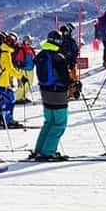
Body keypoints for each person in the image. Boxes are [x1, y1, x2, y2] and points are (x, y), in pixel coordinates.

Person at [31, 30, 72, 160]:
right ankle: (48, 151)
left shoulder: (42, 54)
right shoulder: (58, 57)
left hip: (45, 91)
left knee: (49, 122)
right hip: (58, 93)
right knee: (59, 123)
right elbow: (65, 79)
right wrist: (73, 84)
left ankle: (39, 149)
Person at [0, 32, 23, 129]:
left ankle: (0, 120)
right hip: (4, 82)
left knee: (2, 101)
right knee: (10, 100)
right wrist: (20, 76)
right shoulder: (6, 54)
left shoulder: (3, 51)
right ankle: (8, 120)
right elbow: (9, 69)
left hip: (1, 81)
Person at [59, 23, 81, 100]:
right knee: (64, 79)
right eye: (62, 32)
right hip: (63, 63)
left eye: (65, 32)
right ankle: (66, 93)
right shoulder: (60, 41)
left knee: (73, 78)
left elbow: (75, 52)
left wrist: (73, 61)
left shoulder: (71, 41)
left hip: (70, 63)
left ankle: (74, 93)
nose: (64, 33)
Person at [15, 35, 36, 103]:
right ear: (24, 41)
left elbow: (34, 57)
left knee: (29, 83)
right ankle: (17, 98)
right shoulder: (22, 49)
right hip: (24, 70)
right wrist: (21, 63)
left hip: (30, 69)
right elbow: (18, 60)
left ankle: (23, 96)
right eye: (27, 41)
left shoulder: (31, 49)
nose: (28, 43)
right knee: (23, 84)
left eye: (29, 41)